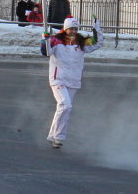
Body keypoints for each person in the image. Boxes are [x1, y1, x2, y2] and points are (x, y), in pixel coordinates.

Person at [44, 16, 103, 148]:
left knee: (65, 109)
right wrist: (46, 40)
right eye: (71, 29)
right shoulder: (56, 40)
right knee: (65, 105)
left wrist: (96, 27)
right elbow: (46, 52)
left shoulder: (81, 42)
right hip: (58, 79)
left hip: (74, 80)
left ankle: (55, 136)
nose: (73, 31)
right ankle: (58, 136)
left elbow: (98, 42)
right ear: (66, 29)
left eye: (75, 29)